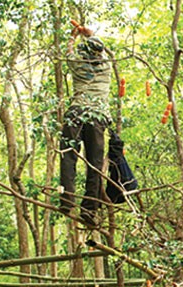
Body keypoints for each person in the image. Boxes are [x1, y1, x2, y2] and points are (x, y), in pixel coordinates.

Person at [59, 23, 112, 226]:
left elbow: (69, 52)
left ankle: (66, 198)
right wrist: (91, 35)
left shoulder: (77, 65)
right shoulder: (106, 67)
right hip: (97, 116)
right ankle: (89, 210)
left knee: (68, 155)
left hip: (77, 112)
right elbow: (101, 49)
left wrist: (73, 36)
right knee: (95, 163)